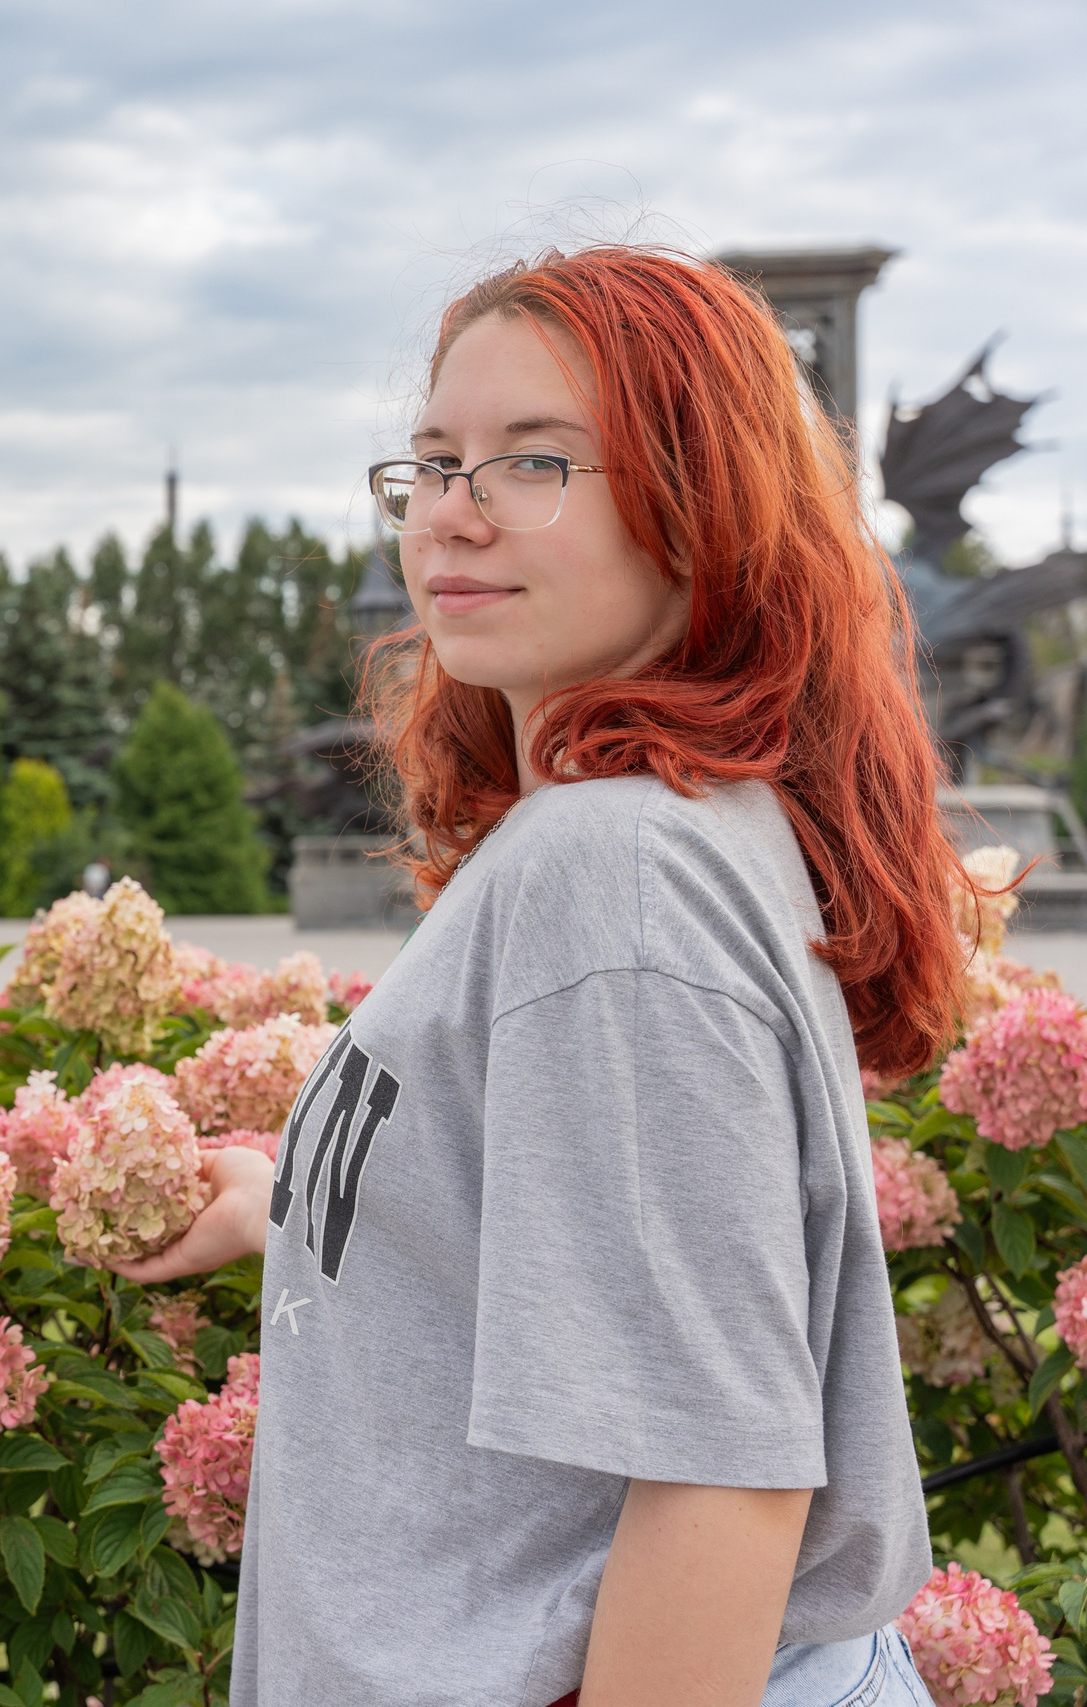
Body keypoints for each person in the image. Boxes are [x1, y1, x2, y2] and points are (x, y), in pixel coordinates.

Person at [117, 247, 966, 1706]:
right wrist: (313, 1209)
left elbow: (719, 1477)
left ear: (701, 508)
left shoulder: (613, 872)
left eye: (537, 461)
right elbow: (617, 1248)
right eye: (436, 460)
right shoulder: (680, 821)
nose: (454, 508)